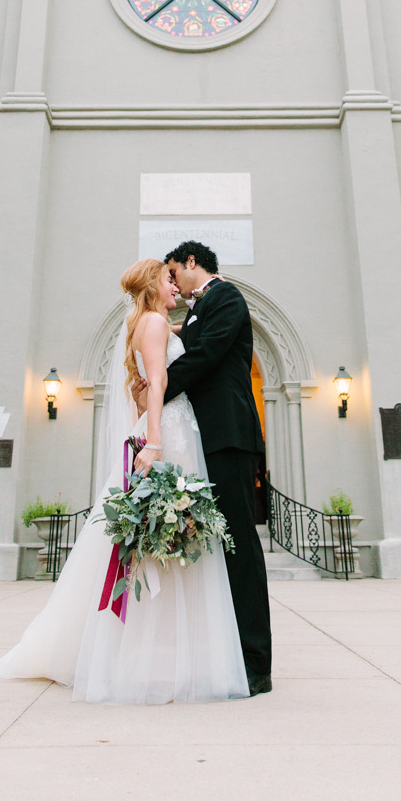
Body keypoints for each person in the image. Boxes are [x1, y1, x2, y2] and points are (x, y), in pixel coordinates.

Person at [0, 258, 249, 705]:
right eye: (169, 280)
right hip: (168, 433)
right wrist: (155, 441)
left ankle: (167, 653)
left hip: (174, 428)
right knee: (157, 546)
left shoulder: (156, 323)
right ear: (153, 284)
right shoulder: (153, 324)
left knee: (169, 542)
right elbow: (158, 384)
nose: (176, 286)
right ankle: (145, 657)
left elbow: (155, 375)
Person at [134, 241, 272, 696]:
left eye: (174, 271)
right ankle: (219, 652)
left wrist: (160, 387)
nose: (172, 281)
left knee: (239, 546)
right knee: (211, 549)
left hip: (228, 437)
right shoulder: (195, 311)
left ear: (192, 262)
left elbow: (207, 355)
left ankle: (256, 664)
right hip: (198, 440)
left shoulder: (227, 297)